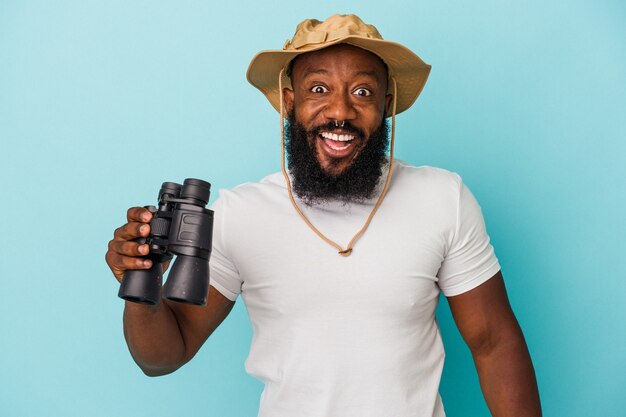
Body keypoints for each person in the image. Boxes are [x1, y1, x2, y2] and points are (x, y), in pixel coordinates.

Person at [105, 14, 541, 417]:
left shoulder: (442, 197)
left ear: (386, 106)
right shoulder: (239, 213)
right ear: (289, 102)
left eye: (362, 92)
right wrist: (139, 282)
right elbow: (162, 358)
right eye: (318, 89)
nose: (339, 111)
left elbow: (494, 343)